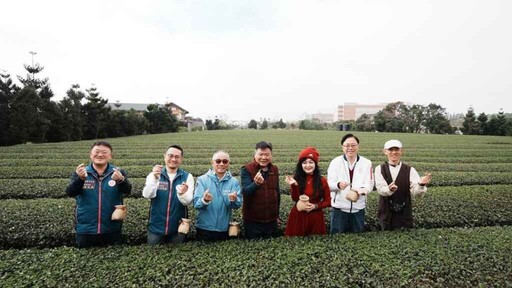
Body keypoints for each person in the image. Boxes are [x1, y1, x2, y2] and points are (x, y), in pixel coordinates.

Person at [65, 141, 132, 248]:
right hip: (85, 229)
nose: (100, 155)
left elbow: (128, 190)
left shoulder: (118, 172)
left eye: (104, 152)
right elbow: (70, 192)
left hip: (111, 227)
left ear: (110, 156)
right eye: (97, 152)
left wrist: (121, 180)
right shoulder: (82, 172)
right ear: (90, 155)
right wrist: (80, 179)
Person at [142, 144, 195, 245]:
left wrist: (182, 193)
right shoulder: (153, 174)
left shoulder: (187, 176)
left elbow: (187, 201)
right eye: (170, 155)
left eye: (177, 157)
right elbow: (147, 194)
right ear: (164, 156)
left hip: (178, 228)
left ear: (181, 159)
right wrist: (154, 179)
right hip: (156, 227)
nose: (173, 159)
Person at [375, 139, 432, 230]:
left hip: (404, 212)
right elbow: (380, 189)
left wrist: (421, 184)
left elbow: (416, 193)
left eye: (397, 150)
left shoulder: (410, 170)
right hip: (386, 212)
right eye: (391, 150)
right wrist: (389, 189)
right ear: (385, 152)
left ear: (401, 151)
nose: (394, 152)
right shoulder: (379, 169)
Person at [327, 133, 374, 233]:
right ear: (342, 147)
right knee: (337, 238)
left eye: (353, 145)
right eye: (347, 145)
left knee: (357, 239)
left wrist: (362, 190)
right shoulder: (335, 162)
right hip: (339, 209)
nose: (350, 148)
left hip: (358, 208)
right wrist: (338, 185)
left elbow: (369, 183)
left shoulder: (366, 163)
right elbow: (329, 184)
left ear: (358, 146)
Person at [193, 150, 242, 241]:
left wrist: (233, 200)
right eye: (218, 161)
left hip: (223, 229)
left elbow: (237, 205)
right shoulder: (202, 180)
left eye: (225, 161)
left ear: (228, 163)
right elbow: (196, 204)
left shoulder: (234, 182)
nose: (221, 164)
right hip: (204, 229)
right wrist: (204, 200)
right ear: (212, 163)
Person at [284, 147, 331, 236]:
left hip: (315, 216)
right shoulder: (296, 178)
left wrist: (315, 206)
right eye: (304, 162)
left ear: (315, 164)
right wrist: (294, 185)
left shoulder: (322, 180)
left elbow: (328, 201)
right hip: (298, 215)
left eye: (311, 162)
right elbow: (295, 199)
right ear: (300, 165)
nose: (308, 165)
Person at [240, 141, 281, 240]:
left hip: (271, 221)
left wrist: (277, 215)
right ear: (255, 154)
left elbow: (277, 193)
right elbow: (245, 192)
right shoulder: (246, 169)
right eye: (260, 154)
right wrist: (256, 184)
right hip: (253, 221)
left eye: (267, 154)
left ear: (271, 155)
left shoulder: (274, 169)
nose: (264, 157)